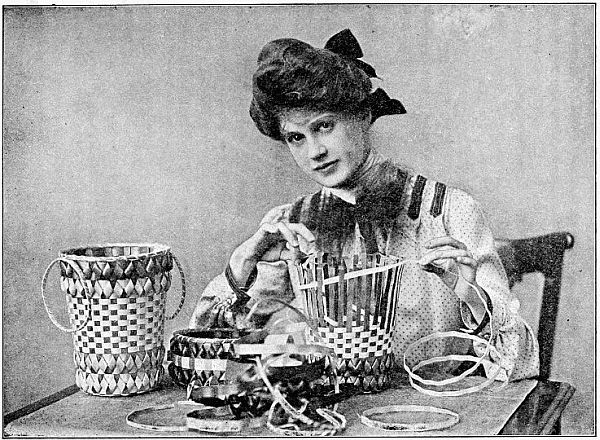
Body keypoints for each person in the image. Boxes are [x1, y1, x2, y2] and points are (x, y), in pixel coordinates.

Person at [189, 29, 539, 383]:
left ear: (362, 115)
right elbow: (212, 357)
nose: (314, 152)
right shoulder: (290, 225)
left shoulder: (449, 211)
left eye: (324, 126)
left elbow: (519, 366)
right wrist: (243, 261)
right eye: (296, 137)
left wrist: (472, 298)